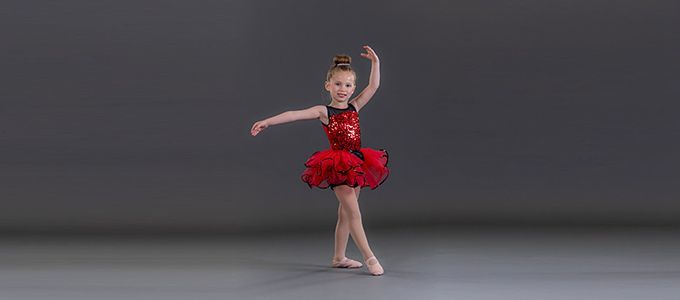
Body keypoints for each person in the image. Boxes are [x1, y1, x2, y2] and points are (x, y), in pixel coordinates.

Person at [250, 45, 389, 276]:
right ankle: (370, 257)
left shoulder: (355, 106)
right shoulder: (324, 111)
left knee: (345, 213)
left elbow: (374, 86)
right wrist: (268, 121)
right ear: (328, 86)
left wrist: (376, 64)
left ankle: (338, 257)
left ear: (353, 87)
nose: (342, 89)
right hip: (339, 165)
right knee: (354, 213)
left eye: (347, 85)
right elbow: (294, 114)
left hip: (357, 162)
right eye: (337, 84)